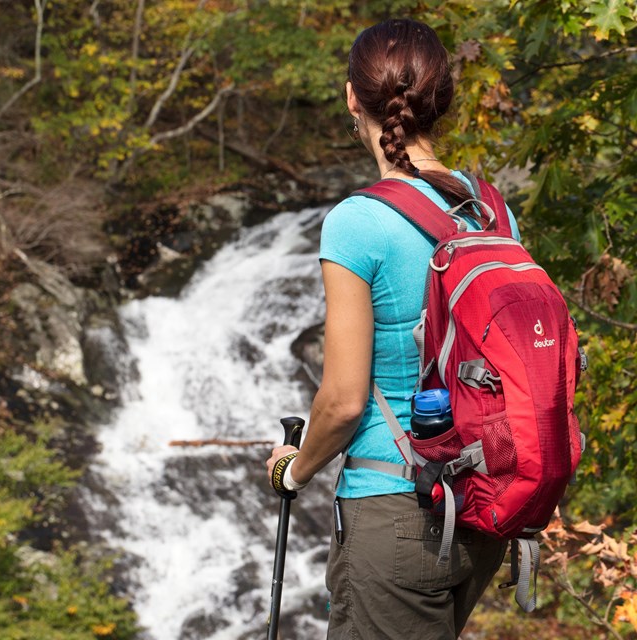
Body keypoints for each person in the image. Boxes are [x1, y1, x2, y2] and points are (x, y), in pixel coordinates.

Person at [266, 18, 520, 639]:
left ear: (354, 98)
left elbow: (345, 400)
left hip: (397, 512)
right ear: (442, 99)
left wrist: (293, 471)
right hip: (480, 506)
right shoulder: (490, 208)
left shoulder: (359, 222)